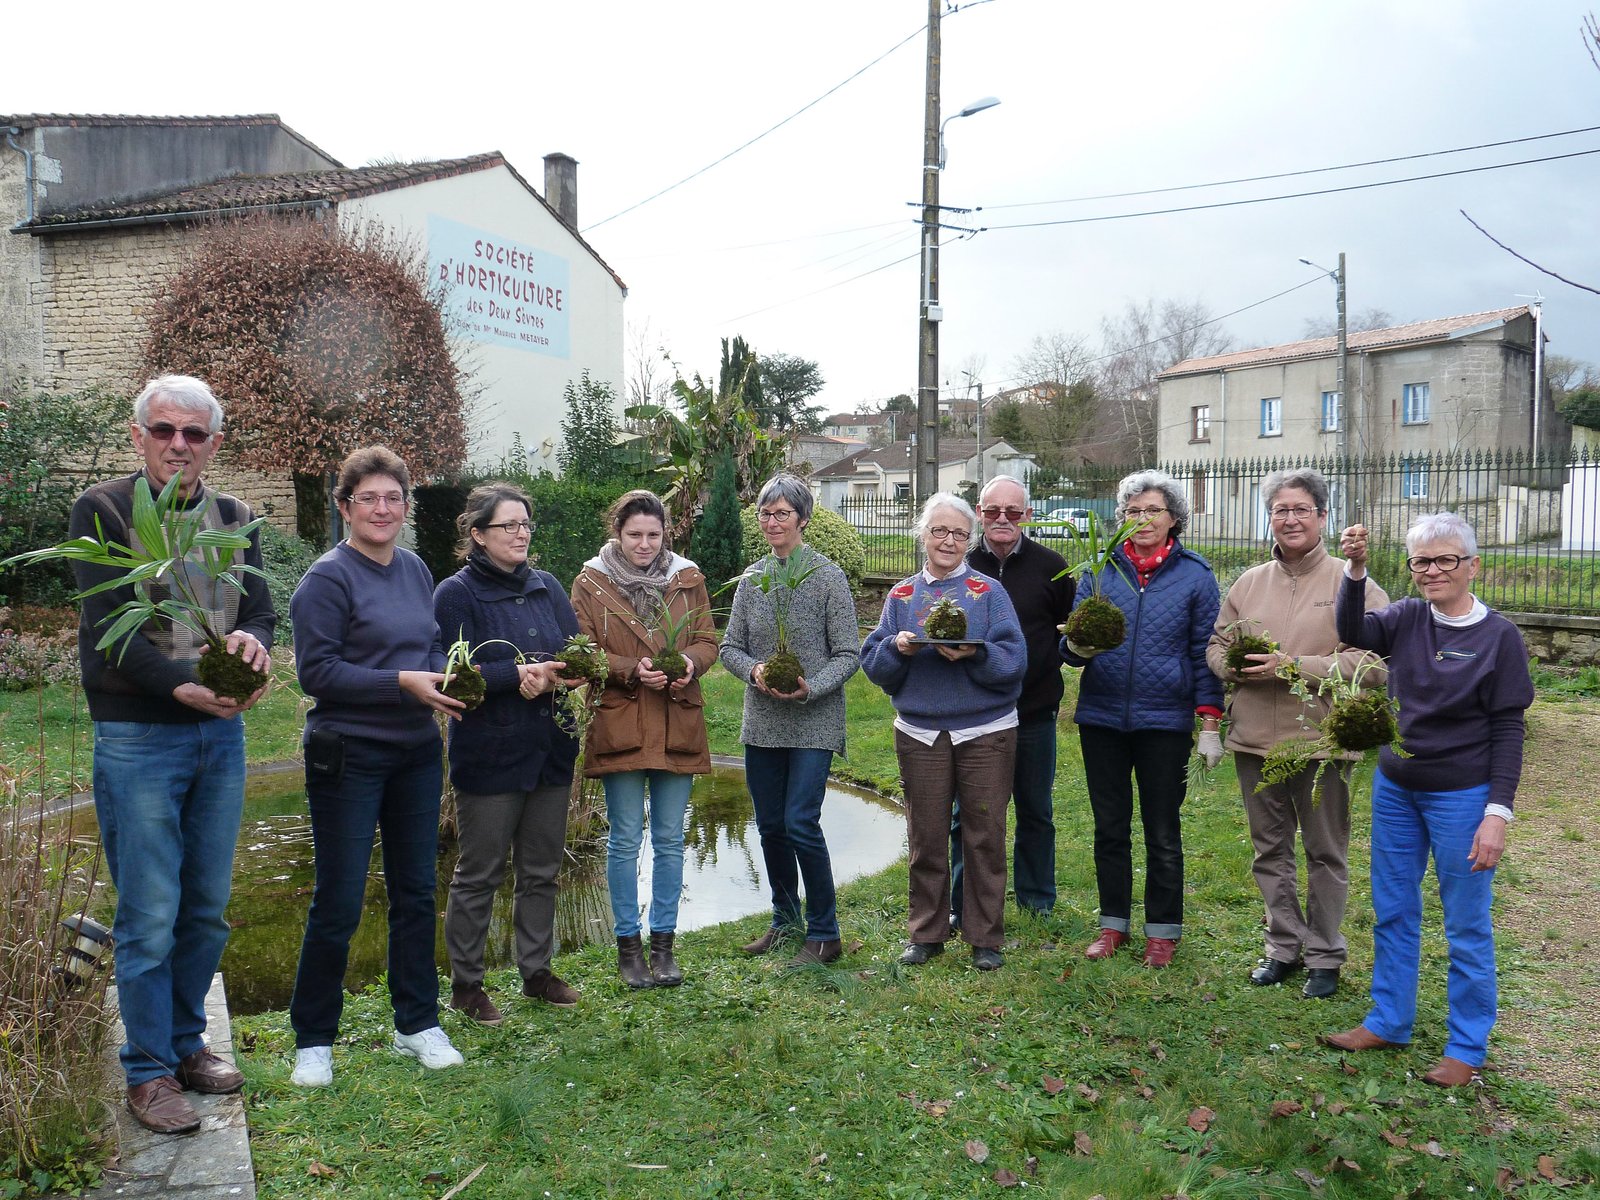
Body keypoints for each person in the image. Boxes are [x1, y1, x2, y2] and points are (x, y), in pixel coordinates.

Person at [69, 374, 274, 1134]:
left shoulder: (235, 516)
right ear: (138, 435)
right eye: (164, 431)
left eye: (194, 434)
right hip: (138, 735)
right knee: (150, 911)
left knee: (206, 909)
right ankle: (148, 1071)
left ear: (214, 444)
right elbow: (111, 631)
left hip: (221, 734)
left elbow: (259, 609)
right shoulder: (104, 510)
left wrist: (255, 644)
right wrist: (185, 691)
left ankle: (188, 1044)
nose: (178, 446)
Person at [1321, 513, 1534, 1087]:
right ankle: (1389, 1020)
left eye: (1445, 560)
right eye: (1421, 561)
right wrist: (1356, 569)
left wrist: (1497, 813)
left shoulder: (1499, 638)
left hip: (1462, 796)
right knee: (1393, 909)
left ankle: (1467, 1046)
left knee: (1466, 924)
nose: (1432, 571)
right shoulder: (1408, 618)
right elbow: (1353, 632)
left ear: (1472, 565)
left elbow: (1508, 730)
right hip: (1396, 790)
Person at [288, 446, 467, 1088]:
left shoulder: (416, 570)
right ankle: (314, 1038)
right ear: (345, 507)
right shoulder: (328, 578)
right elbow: (318, 672)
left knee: (416, 893)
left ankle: (416, 1023)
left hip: (415, 752)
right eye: (369, 498)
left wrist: (447, 672)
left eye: (394, 498)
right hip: (349, 752)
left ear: (406, 507)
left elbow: (426, 647)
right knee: (338, 899)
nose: (383, 508)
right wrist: (403, 683)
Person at [1206, 468, 1389, 999]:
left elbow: (1375, 662)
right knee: (1270, 850)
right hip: (1255, 738)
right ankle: (1283, 946)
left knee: (1325, 851)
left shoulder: (1351, 584)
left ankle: (1325, 955)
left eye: (1300, 509)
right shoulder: (1248, 583)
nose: (1289, 519)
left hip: (1322, 741)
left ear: (1322, 517)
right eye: (1280, 510)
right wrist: (1233, 668)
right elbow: (1217, 645)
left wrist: (1295, 666)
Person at [1062, 469, 1223, 968]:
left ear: (1175, 517)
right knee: (1110, 827)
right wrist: (1075, 645)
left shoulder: (1195, 576)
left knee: (1161, 828)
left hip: (1165, 723)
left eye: (1153, 510)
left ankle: (1163, 931)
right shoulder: (1099, 568)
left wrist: (1210, 723)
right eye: (1133, 512)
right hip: (1103, 718)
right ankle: (1113, 925)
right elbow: (1073, 648)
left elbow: (1204, 653)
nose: (1142, 520)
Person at [434, 484, 582, 1024]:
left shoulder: (548, 587)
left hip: (550, 751)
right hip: (491, 756)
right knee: (480, 874)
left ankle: (536, 972)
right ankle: (467, 985)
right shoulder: (456, 594)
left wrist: (550, 678)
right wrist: (510, 676)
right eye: (507, 526)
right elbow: (448, 672)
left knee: (541, 871)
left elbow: (578, 653)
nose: (520, 534)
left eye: (525, 525)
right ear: (478, 535)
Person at [861, 492, 1026, 971]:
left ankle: (984, 936)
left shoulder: (988, 594)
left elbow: (1014, 662)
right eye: (939, 531)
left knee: (984, 834)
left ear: (969, 540)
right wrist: (898, 647)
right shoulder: (902, 596)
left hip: (986, 730)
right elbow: (876, 665)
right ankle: (927, 932)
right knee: (926, 835)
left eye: (958, 533)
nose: (949, 541)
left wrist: (976, 655)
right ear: (923, 536)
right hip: (920, 731)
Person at [571, 491, 718, 989]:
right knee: (624, 840)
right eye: (635, 534)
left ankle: (664, 947)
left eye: (653, 535)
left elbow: (706, 640)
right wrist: (632, 669)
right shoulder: (591, 582)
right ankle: (628, 948)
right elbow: (583, 650)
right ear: (618, 532)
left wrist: (688, 666)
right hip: (622, 723)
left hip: (677, 719)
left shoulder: (687, 578)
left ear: (665, 534)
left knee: (672, 840)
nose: (644, 544)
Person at [721, 473, 861, 966]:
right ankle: (785, 921)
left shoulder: (828, 577)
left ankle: (825, 932)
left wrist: (812, 687)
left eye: (782, 513)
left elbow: (849, 653)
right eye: (765, 513)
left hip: (814, 720)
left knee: (801, 821)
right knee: (771, 826)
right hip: (762, 722)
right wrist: (755, 668)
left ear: (803, 519)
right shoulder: (752, 578)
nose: (772, 521)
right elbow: (729, 648)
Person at [954, 474, 1075, 923]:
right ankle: (962, 900)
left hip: (1034, 709)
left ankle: (1037, 899)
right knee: (967, 813)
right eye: (991, 511)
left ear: (1027, 514)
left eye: (1012, 511)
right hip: (973, 711)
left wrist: (1069, 653)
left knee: (1035, 810)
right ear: (979, 513)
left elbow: (1069, 632)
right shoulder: (962, 566)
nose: (1002, 519)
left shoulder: (1052, 566)